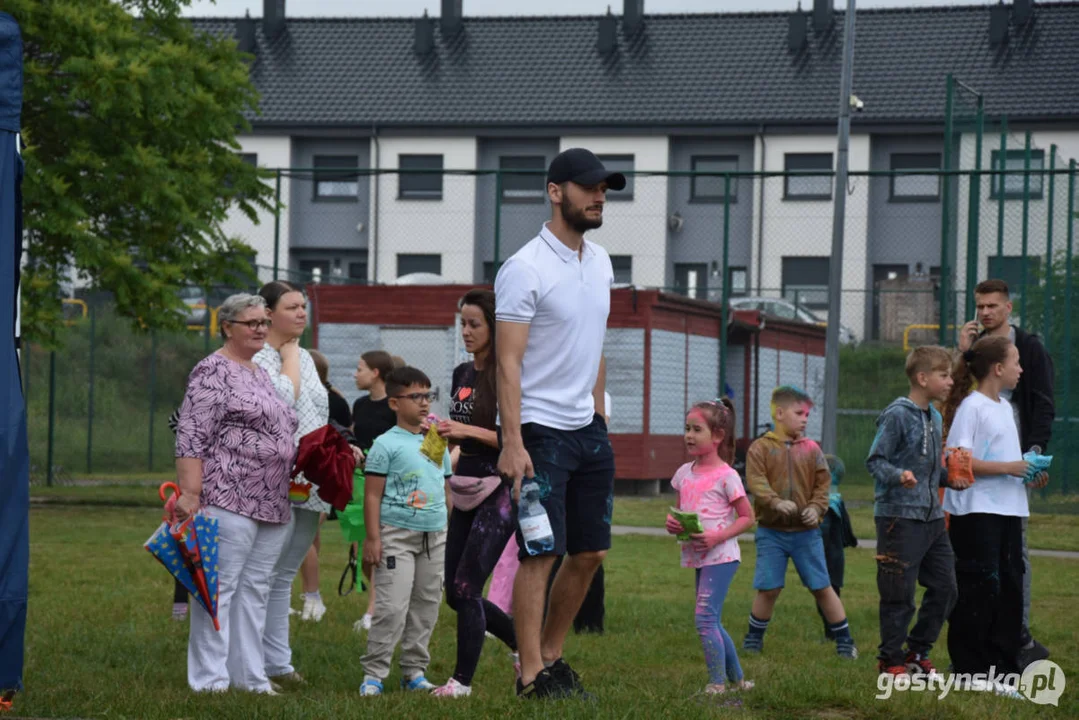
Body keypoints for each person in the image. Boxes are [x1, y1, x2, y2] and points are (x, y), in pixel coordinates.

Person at [495, 148, 624, 700]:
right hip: (540, 431)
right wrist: (513, 441)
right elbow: (508, 361)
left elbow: (594, 346)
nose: (599, 197)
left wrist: (597, 412)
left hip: (587, 430)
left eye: (605, 189)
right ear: (556, 191)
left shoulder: (600, 261)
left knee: (591, 552)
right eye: (589, 187)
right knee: (541, 551)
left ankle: (551, 656)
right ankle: (529, 677)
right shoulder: (524, 267)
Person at [173, 293, 298, 694]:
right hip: (228, 494)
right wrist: (190, 493)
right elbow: (191, 435)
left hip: (272, 498)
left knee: (256, 590)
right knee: (219, 589)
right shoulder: (211, 370)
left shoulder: (260, 371)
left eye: (264, 322)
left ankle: (249, 678)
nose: (261, 329)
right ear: (227, 327)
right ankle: (210, 680)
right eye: (252, 323)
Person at [957, 278, 1054, 666]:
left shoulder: (1027, 348)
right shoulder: (973, 372)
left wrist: (1032, 456)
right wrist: (963, 355)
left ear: (1008, 307)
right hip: (979, 487)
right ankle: (979, 649)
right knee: (980, 566)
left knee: (1015, 560)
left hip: (1014, 472)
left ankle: (1017, 633)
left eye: (992, 306)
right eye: (980, 306)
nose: (985, 313)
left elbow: (1043, 403)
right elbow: (954, 401)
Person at [431, 289, 518, 698]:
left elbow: (514, 438)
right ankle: (527, 649)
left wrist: (463, 431)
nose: (465, 331)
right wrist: (435, 449)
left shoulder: (508, 373)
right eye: (461, 323)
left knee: (467, 588)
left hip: (499, 488)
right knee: (456, 593)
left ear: (494, 327)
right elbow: (456, 428)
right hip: (463, 485)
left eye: (474, 324)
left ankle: (461, 683)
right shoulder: (461, 374)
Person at [942, 336, 1044, 680]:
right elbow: (957, 461)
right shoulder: (972, 407)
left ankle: (1002, 667)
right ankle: (970, 668)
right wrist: (1009, 468)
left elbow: (1006, 461)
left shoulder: (1004, 407)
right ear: (998, 369)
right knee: (979, 588)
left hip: (1009, 511)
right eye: (1016, 362)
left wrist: (1027, 472)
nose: (1021, 368)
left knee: (1011, 586)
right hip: (977, 512)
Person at [252, 282, 337, 688]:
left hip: (312, 476)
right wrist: (285, 355)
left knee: (284, 574)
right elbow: (282, 402)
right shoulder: (261, 356)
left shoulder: (303, 354)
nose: (302, 313)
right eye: (292, 307)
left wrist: (339, 449)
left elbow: (318, 412)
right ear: (267, 313)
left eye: (304, 306)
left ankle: (279, 664)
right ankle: (254, 663)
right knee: (264, 573)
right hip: (277, 476)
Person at [741, 386, 858, 659]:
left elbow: (823, 485)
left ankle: (844, 640)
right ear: (779, 413)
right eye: (799, 413)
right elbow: (756, 482)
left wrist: (817, 510)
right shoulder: (760, 448)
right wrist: (774, 501)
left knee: (821, 586)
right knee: (769, 588)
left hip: (807, 534)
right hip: (772, 533)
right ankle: (753, 639)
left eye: (807, 414)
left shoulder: (812, 450)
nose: (805, 419)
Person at [865, 346, 959, 679]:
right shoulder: (897, 415)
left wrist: (951, 479)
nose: (950, 381)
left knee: (947, 587)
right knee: (898, 594)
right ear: (922, 378)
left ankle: (917, 651)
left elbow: (930, 471)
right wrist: (898, 475)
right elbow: (876, 461)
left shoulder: (935, 416)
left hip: (933, 518)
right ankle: (890, 661)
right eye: (944, 375)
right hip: (898, 518)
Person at [359, 367, 452, 697]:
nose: (425, 403)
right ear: (395, 403)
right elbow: (372, 494)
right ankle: (373, 674)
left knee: (427, 605)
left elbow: (442, 484)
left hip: (434, 536)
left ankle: (413, 672)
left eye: (428, 396)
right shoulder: (385, 444)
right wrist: (373, 538)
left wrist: (446, 525)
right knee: (392, 607)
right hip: (397, 535)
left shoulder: (435, 438)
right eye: (416, 397)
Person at [665, 400, 755, 695]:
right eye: (687, 429)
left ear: (717, 436)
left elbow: (747, 518)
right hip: (698, 555)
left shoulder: (727, 476)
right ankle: (739, 681)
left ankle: (717, 683)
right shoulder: (683, 474)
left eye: (697, 429)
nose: (689, 435)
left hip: (722, 556)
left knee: (704, 618)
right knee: (711, 619)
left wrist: (718, 537)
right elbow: (679, 513)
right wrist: (673, 524)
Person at [290, 349, 353, 623]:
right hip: (319, 475)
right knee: (309, 538)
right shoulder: (338, 398)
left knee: (304, 540)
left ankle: (312, 596)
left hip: (310, 474)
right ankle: (308, 595)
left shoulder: (319, 400)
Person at [351, 349, 399, 631]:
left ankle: (373, 611)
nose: (355, 374)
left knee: (378, 546)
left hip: (387, 483)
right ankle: (384, 598)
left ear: (376, 372)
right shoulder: (359, 405)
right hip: (360, 481)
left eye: (360, 368)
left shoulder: (393, 406)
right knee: (362, 554)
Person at [815, 454, 857, 642]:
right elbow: (846, 530)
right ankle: (832, 632)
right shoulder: (837, 499)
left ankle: (830, 633)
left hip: (826, 557)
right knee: (833, 592)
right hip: (836, 557)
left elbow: (824, 533)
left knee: (825, 594)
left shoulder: (826, 504)